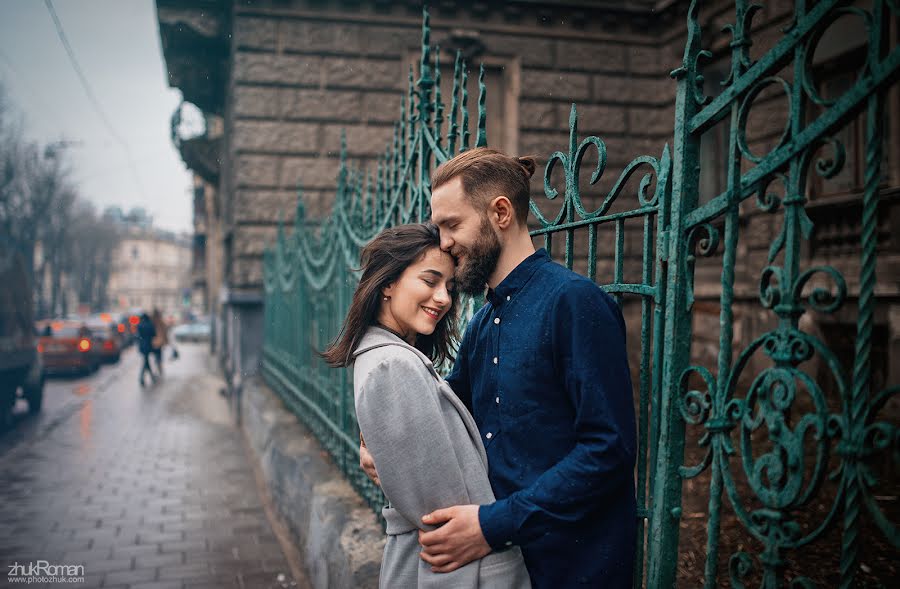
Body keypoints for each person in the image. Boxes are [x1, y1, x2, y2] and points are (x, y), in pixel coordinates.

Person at [360, 148, 637, 588]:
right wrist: (377, 443)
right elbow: (444, 414)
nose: (444, 242)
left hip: (577, 568)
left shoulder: (574, 302)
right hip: (507, 571)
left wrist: (493, 524)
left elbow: (610, 451)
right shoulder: (483, 324)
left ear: (501, 213)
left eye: (452, 225)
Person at [323, 223, 530, 588]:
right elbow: (446, 512)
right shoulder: (393, 365)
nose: (444, 298)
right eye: (429, 281)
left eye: (449, 287)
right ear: (387, 283)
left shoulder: (386, 357)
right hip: (456, 570)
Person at [136, 313, 156, 387]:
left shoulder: (140, 325)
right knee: (146, 361)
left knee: (146, 361)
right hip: (148, 345)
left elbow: (137, 336)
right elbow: (154, 334)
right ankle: (142, 377)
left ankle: (150, 376)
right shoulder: (150, 324)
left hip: (142, 345)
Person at [150, 309, 168, 376]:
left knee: (156, 355)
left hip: (154, 341)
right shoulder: (160, 321)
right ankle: (159, 368)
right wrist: (166, 340)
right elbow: (164, 331)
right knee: (159, 355)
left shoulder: (152, 321)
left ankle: (158, 368)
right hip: (160, 341)